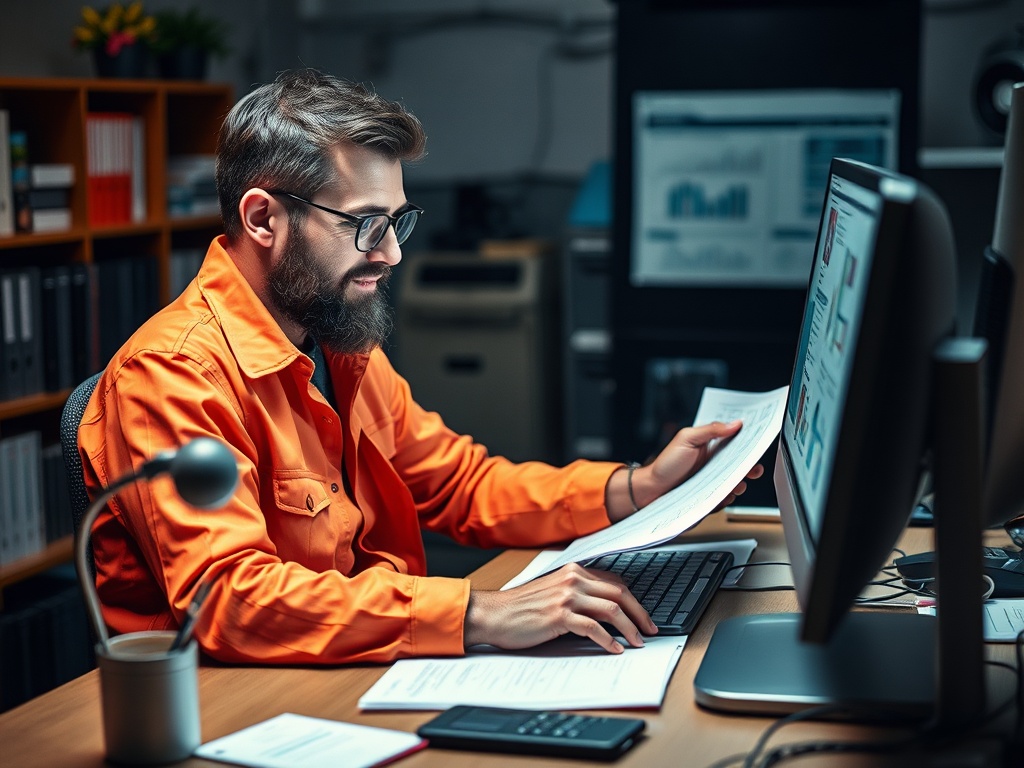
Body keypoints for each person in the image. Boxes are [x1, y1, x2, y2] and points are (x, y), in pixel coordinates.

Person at [78, 68, 761, 666]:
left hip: (355, 668)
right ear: (262, 218)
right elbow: (230, 600)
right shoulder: (171, 374)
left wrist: (639, 487)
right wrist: (480, 613)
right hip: (235, 704)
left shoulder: (334, 339)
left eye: (397, 223)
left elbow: (462, 486)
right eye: (366, 225)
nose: (392, 256)